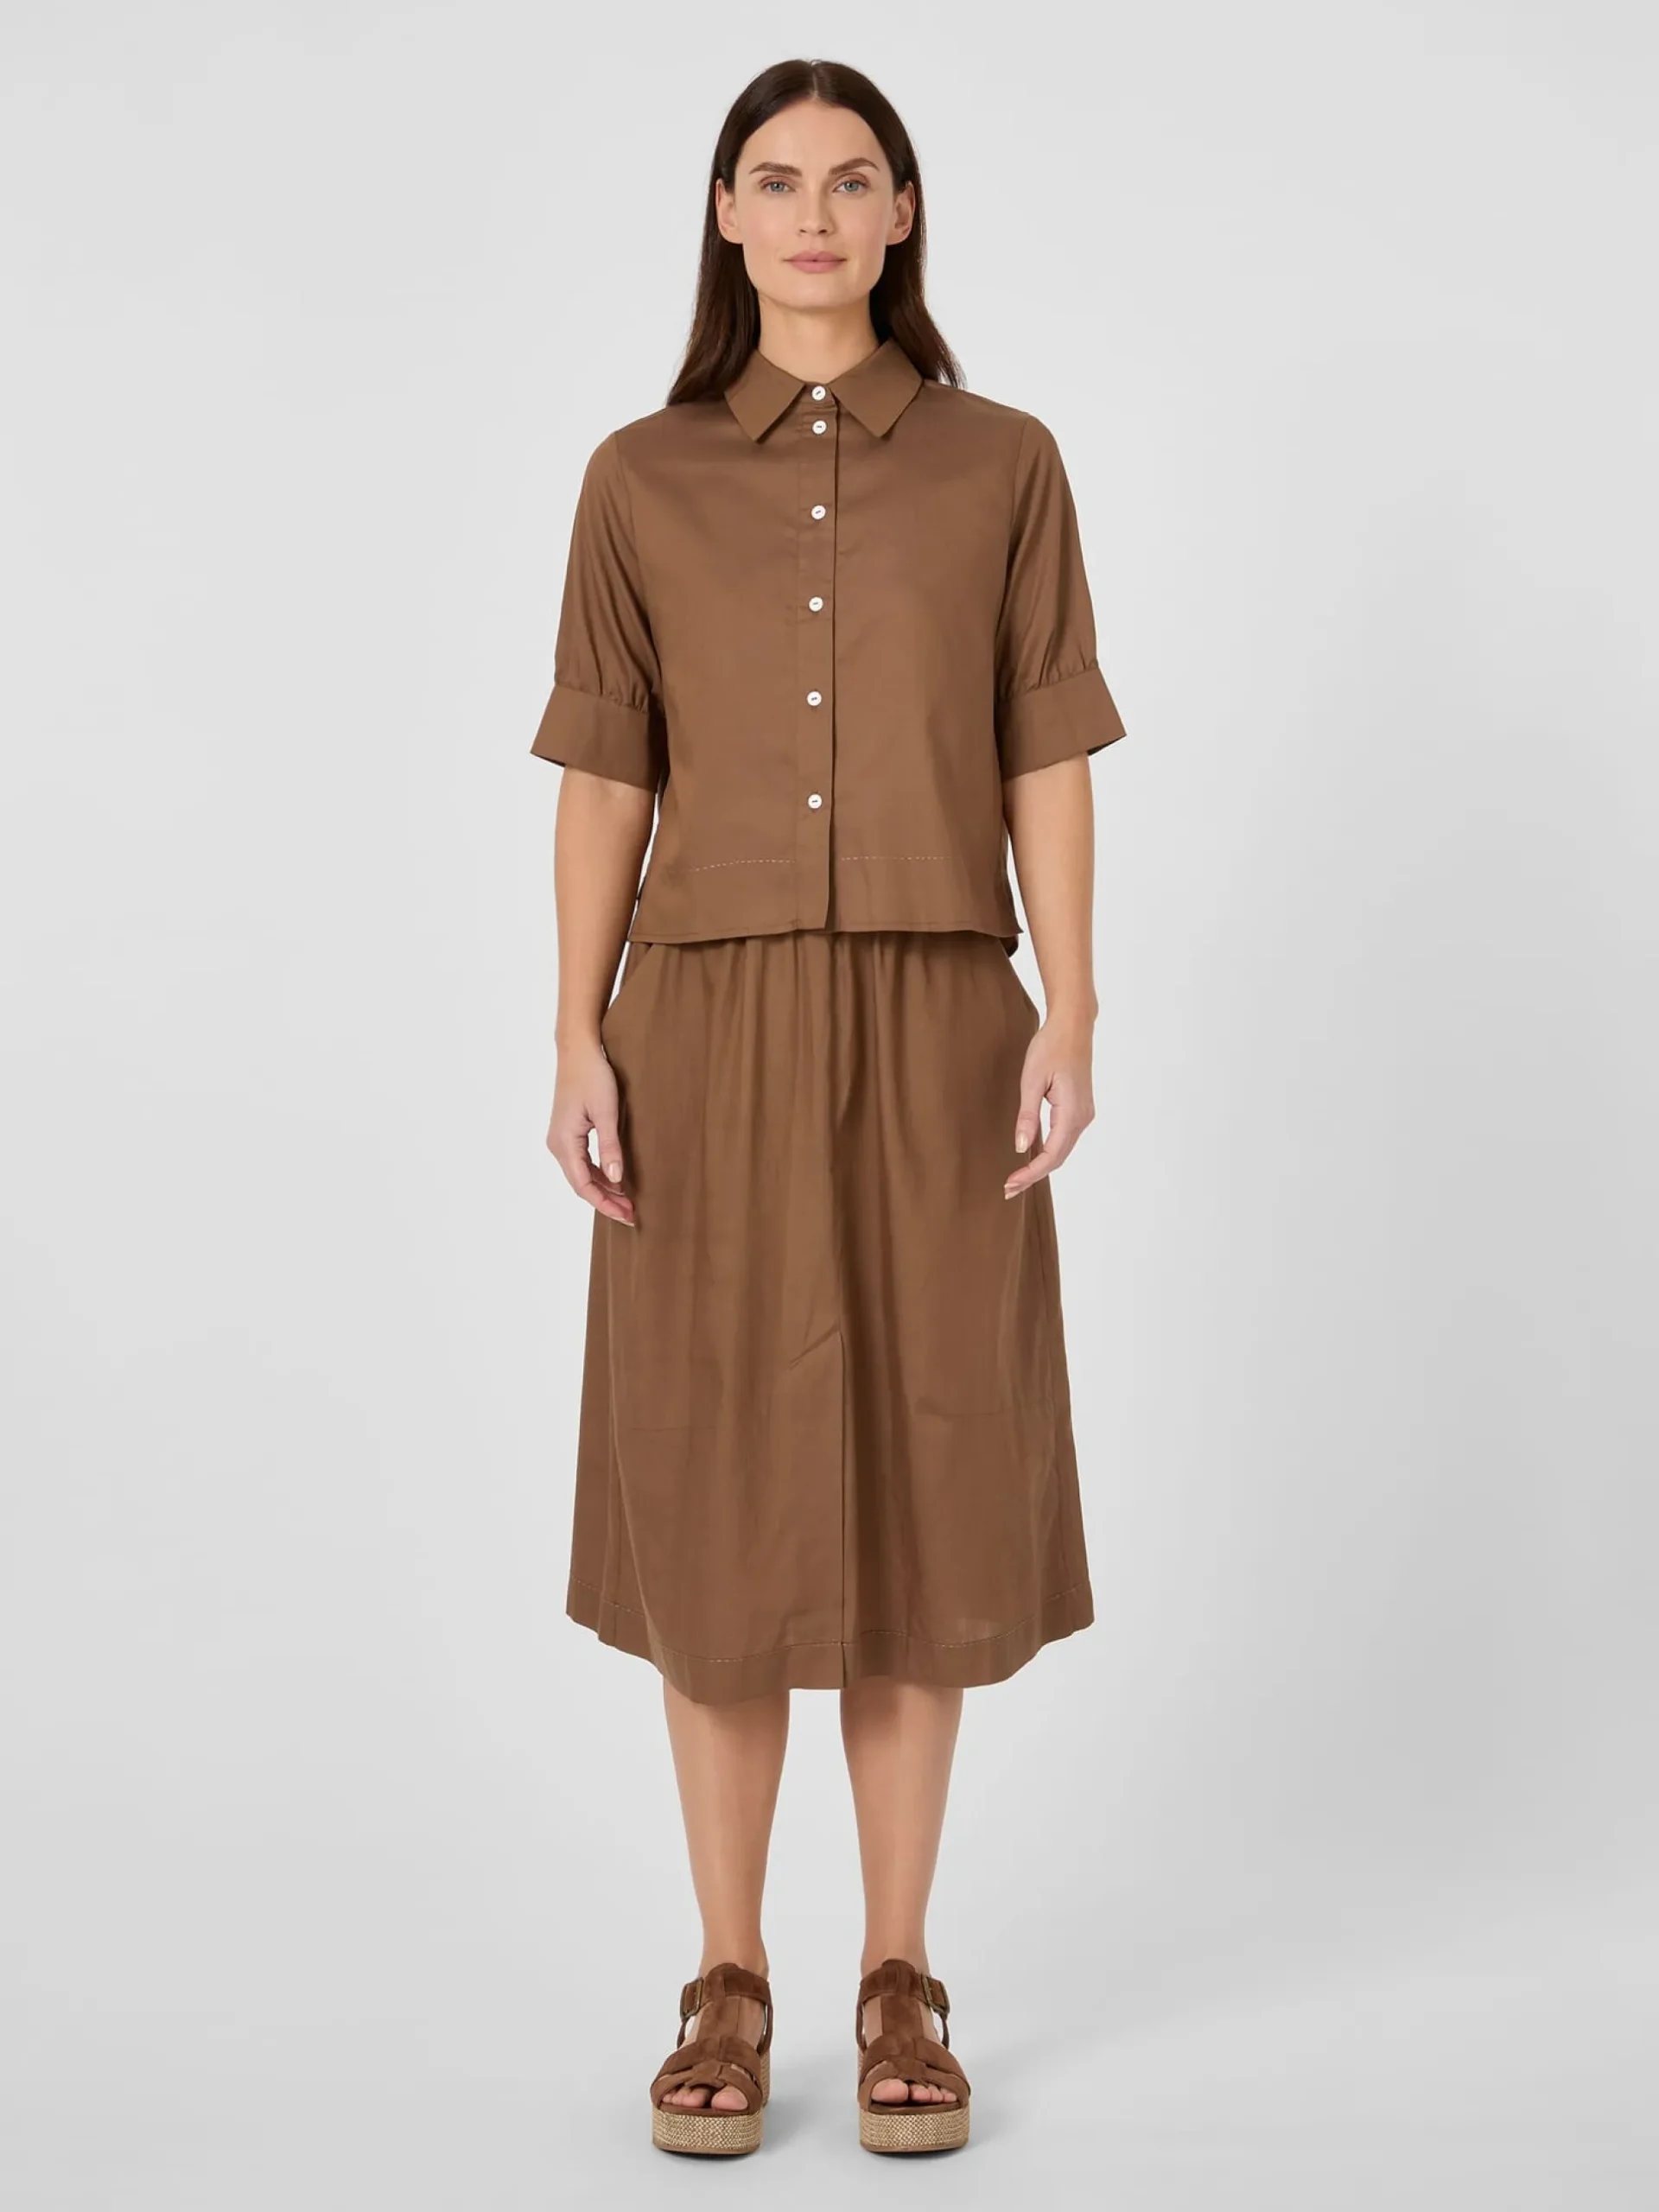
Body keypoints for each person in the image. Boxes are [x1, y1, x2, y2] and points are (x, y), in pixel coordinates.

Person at [530, 56, 1126, 2158]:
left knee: (919, 1480)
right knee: (715, 1498)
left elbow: (1045, 749)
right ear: (725, 213)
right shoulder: (638, 477)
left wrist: (1070, 1003)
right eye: (773, 178)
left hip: (940, 1016)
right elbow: (607, 772)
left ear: (901, 214)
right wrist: (575, 1029)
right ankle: (727, 1970)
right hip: (701, 1024)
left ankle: (898, 1968)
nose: (811, 212)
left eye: (850, 179)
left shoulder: (1005, 464)